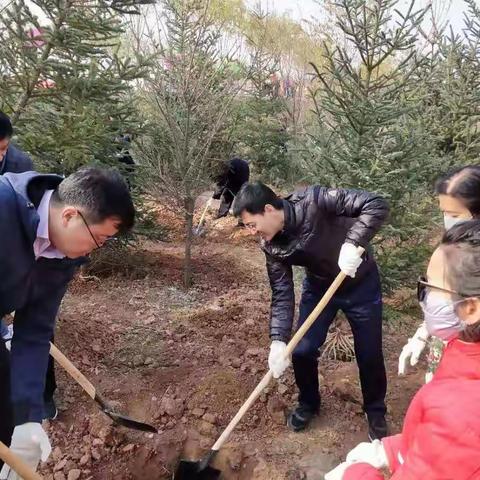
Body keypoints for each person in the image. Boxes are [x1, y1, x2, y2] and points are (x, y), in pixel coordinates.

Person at [0, 167, 134, 477]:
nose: (97, 249)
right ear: (69, 215)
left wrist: (28, 417)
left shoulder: (63, 256)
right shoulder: (3, 208)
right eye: (99, 238)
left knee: (8, 412)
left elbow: (34, 331)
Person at [233, 182, 389, 439]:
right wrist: (278, 340)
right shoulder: (271, 245)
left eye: (252, 224)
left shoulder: (316, 201)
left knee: (369, 353)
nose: (252, 232)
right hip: (319, 289)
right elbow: (282, 293)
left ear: (269, 209)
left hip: (361, 285)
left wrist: (352, 243)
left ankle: (375, 412)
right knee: (302, 350)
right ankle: (309, 403)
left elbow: (376, 204)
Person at [326, 220, 480, 480]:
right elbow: (440, 451)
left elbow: (455, 436)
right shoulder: (464, 350)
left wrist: (353, 474)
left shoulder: (463, 412)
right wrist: (391, 449)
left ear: (471, 308)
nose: (425, 296)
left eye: (430, 286)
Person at [398, 165, 480, 381]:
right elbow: (443, 298)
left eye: (454, 214)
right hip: (448, 350)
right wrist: (424, 333)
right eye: (443, 212)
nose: (447, 221)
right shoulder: (452, 246)